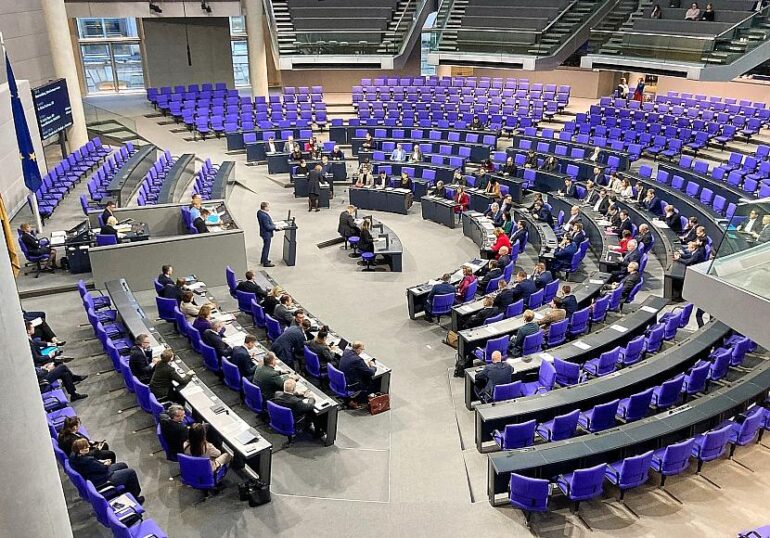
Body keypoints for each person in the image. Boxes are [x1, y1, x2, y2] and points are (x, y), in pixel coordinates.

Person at [69, 439, 143, 503]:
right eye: (87, 447)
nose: (89, 448)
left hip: (95, 475)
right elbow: (103, 469)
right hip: (103, 480)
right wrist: (106, 463)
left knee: (123, 465)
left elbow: (95, 465)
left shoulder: (74, 456)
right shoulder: (87, 461)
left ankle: (127, 490)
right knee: (131, 472)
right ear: (81, 450)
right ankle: (135, 498)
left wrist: (100, 462)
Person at [339, 341, 377, 408]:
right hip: (350, 384)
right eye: (362, 349)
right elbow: (370, 372)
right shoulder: (358, 360)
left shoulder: (346, 351)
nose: (362, 351)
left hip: (342, 379)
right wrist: (373, 366)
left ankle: (350, 400)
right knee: (369, 379)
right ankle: (362, 399)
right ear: (358, 349)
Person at [257, 201, 277, 268]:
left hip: (263, 232)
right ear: (265, 207)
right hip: (266, 234)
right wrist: (275, 227)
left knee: (265, 247)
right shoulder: (264, 216)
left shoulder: (259, 212)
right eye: (268, 207)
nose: (269, 208)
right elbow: (268, 227)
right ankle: (265, 262)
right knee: (266, 248)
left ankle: (263, 259)